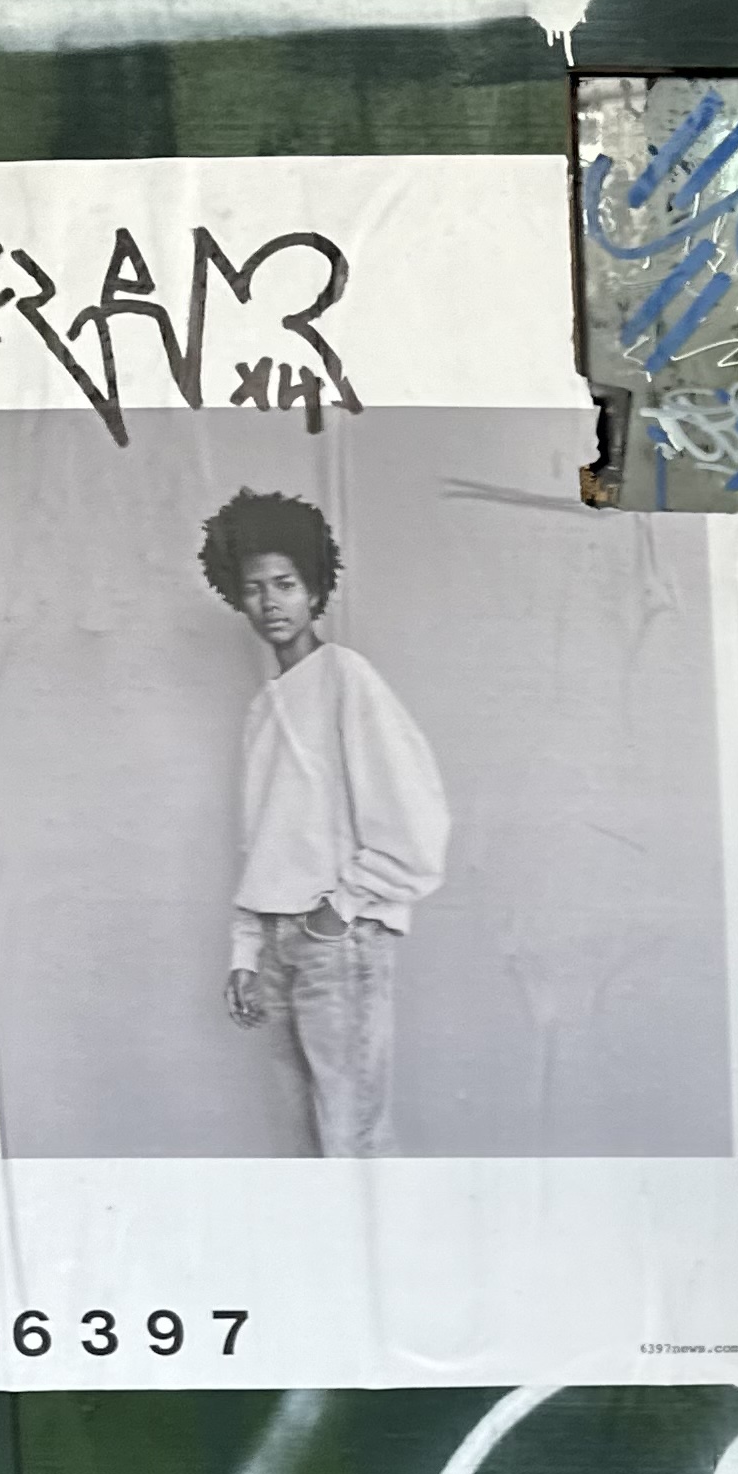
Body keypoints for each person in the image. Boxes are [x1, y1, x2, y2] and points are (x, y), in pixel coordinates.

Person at [199, 489, 448, 1159]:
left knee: (352, 1140)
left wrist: (341, 909)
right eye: (254, 588)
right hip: (278, 945)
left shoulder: (346, 678)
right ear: (237, 597)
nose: (270, 602)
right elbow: (259, 841)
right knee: (303, 1147)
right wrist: (246, 954)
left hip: (340, 940)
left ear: (314, 589)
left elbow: (414, 818)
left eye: (285, 584)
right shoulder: (263, 709)